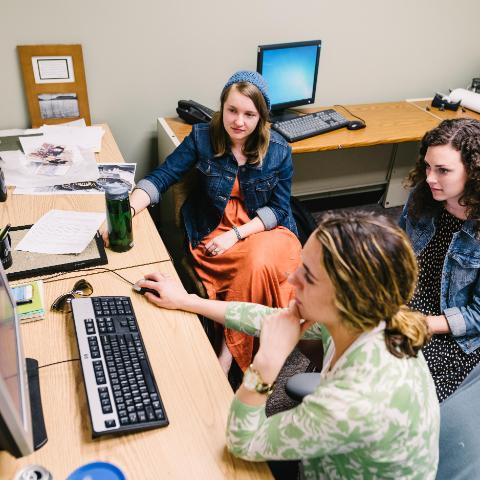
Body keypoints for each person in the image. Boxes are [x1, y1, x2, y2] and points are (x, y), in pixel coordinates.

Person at [136, 211, 440, 479]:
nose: (292, 279)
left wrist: (265, 365)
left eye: (307, 275)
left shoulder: (352, 401)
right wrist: (188, 301)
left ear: (347, 296)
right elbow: (268, 318)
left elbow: (243, 441)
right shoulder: (366, 318)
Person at [103, 71, 302, 374]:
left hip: (264, 229)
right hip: (214, 228)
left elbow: (278, 209)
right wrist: (127, 210)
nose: (239, 121)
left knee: (258, 261)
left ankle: (225, 357)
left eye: (249, 114)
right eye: (232, 110)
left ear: (261, 116)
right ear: (223, 107)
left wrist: (236, 235)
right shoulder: (201, 137)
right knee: (253, 268)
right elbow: (162, 177)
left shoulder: (278, 150)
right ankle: (244, 349)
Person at [400, 118, 480, 402]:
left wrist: (419, 323)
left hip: (452, 327)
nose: (430, 178)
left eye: (443, 170)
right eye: (428, 167)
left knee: (407, 392)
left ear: (473, 172)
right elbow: (397, 251)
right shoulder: (422, 198)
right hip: (407, 301)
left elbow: (477, 316)